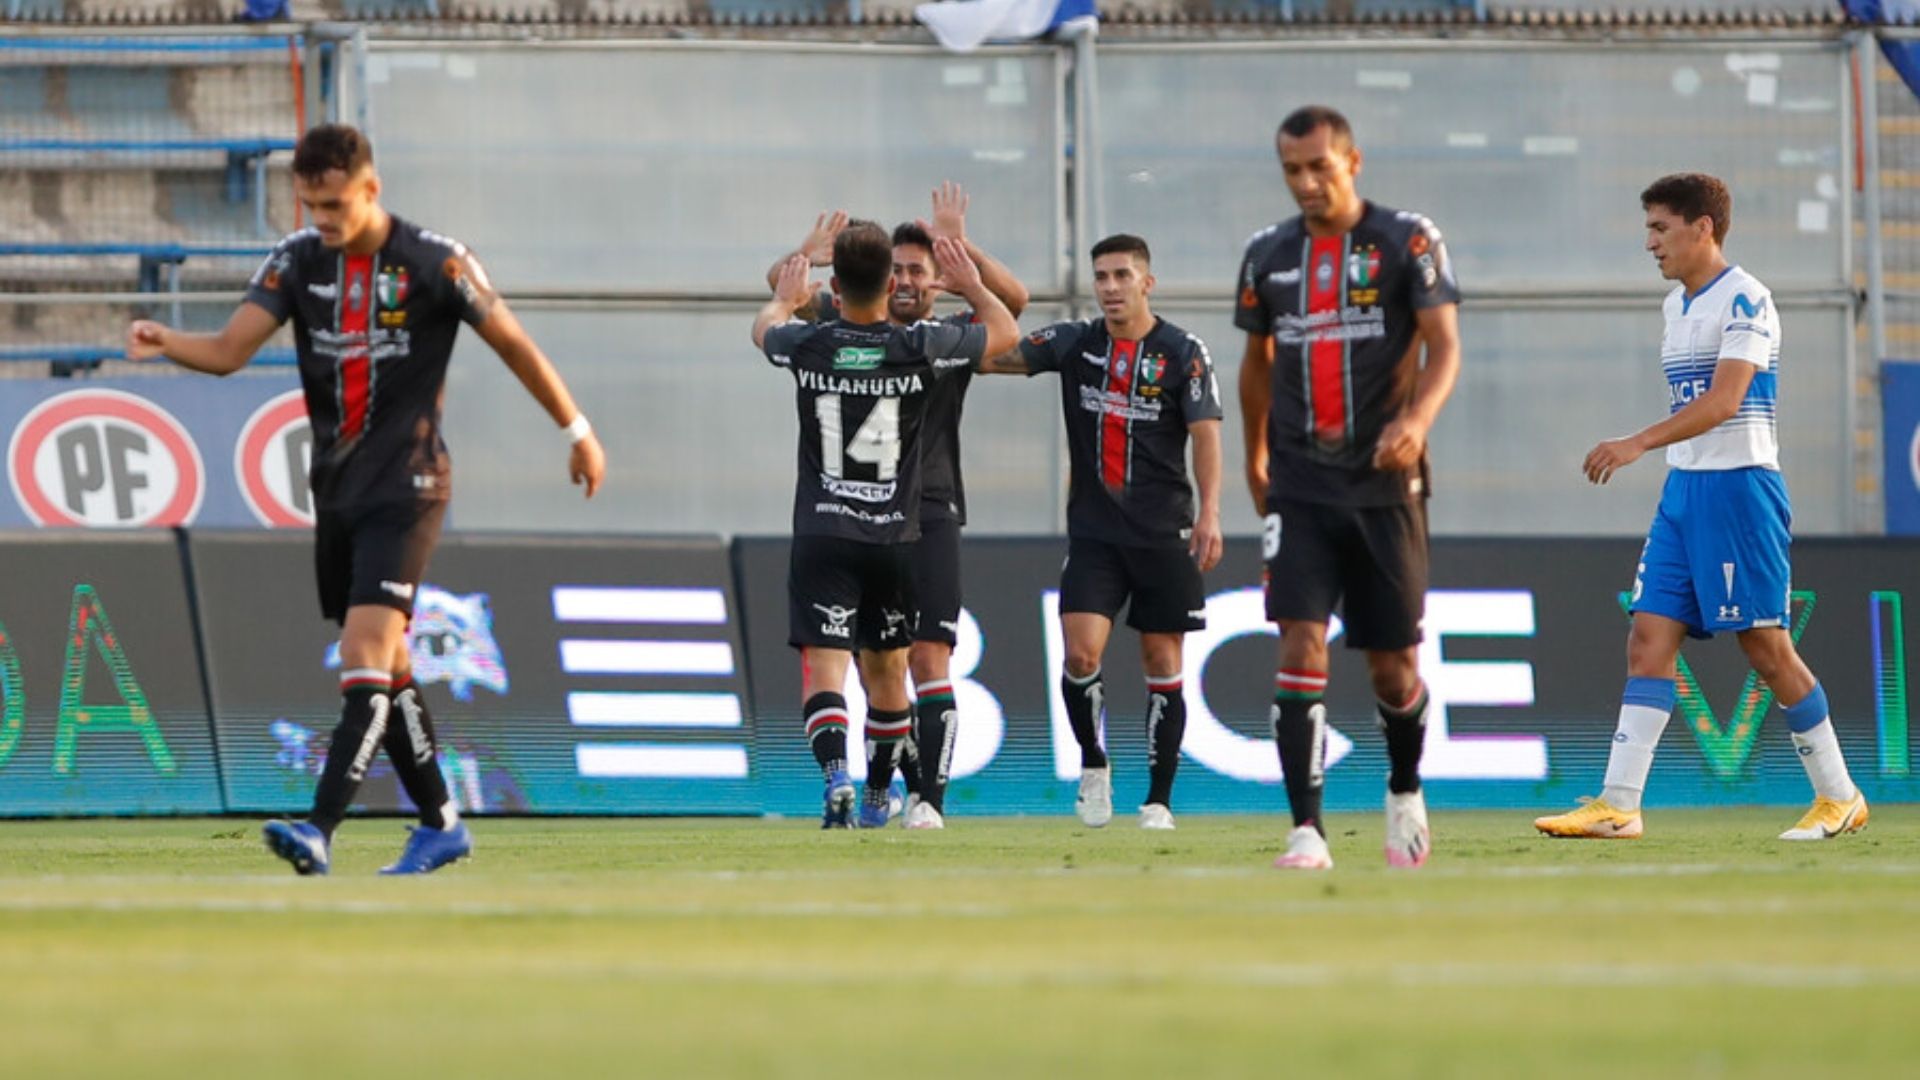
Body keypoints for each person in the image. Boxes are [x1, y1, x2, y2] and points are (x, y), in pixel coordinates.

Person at [125, 124, 607, 874]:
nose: (322, 217)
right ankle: (443, 823)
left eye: (335, 203)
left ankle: (319, 827)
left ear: (371, 189)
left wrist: (577, 429)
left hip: (410, 487)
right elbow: (228, 351)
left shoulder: (436, 261)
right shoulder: (297, 263)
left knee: (361, 651)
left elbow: (513, 344)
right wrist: (165, 339)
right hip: (338, 492)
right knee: (390, 665)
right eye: (311, 203)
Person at [1534, 173, 1868, 842]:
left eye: (1659, 228)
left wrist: (1637, 442)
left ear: (1702, 227)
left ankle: (1841, 796)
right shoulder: (1676, 307)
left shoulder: (1747, 299)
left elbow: (1724, 403)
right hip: (1684, 493)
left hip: (1739, 490)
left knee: (1765, 645)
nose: (1649, 243)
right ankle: (1619, 804)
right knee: (1648, 639)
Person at [1236, 105, 1462, 870]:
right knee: (1299, 640)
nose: (1305, 183)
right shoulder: (1266, 255)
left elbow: (1445, 346)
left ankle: (1404, 790)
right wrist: (1253, 453)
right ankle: (1307, 831)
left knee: (1393, 667)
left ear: (1352, 162)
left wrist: (1420, 421)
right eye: (1292, 170)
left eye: (1318, 168)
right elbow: (1258, 363)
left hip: (1386, 487)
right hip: (1300, 485)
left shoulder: (1407, 240)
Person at [767, 185, 1029, 828]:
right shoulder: (926, 346)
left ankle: (895, 792)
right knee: (883, 666)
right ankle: (894, 791)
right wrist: (965, 272)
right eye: (901, 269)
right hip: (893, 526)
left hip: (922, 512)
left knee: (913, 660)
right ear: (888, 280)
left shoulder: (828, 338)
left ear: (934, 277)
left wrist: (959, 250)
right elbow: (1007, 321)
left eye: (921, 268)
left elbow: (778, 301)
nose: (909, 279)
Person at [976, 234, 1224, 830]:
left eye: (1122, 275)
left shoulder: (1183, 352)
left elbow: (1206, 432)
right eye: (1102, 277)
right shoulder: (1074, 342)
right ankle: (1094, 764)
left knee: (1162, 660)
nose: (1110, 287)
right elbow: (992, 356)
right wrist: (970, 279)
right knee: (1081, 653)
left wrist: (1210, 513)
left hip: (1165, 534)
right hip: (1094, 536)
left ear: (1147, 282)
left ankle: (1159, 800)